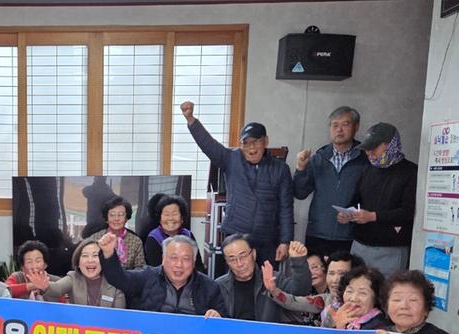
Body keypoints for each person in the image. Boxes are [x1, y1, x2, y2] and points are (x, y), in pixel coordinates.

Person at [181, 101, 293, 264]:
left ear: (266, 141)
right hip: (236, 236)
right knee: (236, 275)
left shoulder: (281, 168)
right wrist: (191, 120)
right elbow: (208, 145)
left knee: (266, 277)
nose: (251, 148)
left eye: (256, 141)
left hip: (267, 239)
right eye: (246, 143)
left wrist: (285, 241)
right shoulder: (231, 159)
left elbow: (286, 207)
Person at [340, 122, 416, 277]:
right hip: (360, 244)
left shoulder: (410, 172)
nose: (369, 153)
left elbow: (407, 212)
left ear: (390, 145)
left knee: (386, 289)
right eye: (367, 149)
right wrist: (347, 213)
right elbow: (356, 199)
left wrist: (372, 216)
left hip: (391, 248)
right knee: (356, 286)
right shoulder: (367, 169)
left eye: (374, 148)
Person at [293, 106, 369, 256]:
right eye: (335, 125)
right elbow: (300, 193)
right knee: (315, 271)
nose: (339, 130)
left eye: (345, 124)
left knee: (345, 272)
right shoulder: (319, 158)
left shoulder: (365, 159)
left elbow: (371, 197)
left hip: (350, 235)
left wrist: (354, 213)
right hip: (317, 233)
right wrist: (301, 168)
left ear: (356, 126)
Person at [100, 232, 225, 318]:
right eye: (173, 258)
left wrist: (217, 316)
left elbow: (225, 321)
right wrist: (109, 253)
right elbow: (119, 279)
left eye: (186, 259)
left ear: (194, 260)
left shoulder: (209, 287)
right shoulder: (147, 277)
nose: (179, 265)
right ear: (163, 259)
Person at [215, 235, 310, 322]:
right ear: (227, 262)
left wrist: (299, 262)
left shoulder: (273, 278)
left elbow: (300, 291)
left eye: (243, 256)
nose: (239, 263)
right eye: (232, 259)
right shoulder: (219, 286)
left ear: (254, 254)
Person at [41, 239, 126, 308]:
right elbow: (57, 289)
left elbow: (120, 316)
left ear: (103, 260)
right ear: (78, 262)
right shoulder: (73, 278)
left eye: (95, 255)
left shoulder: (114, 282)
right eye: (85, 255)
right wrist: (45, 286)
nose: (90, 260)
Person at [144, 195, 204, 272]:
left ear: (182, 218)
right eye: (166, 214)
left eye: (175, 214)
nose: (170, 218)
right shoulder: (153, 238)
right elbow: (155, 271)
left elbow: (198, 266)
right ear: (160, 219)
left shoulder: (188, 235)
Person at [86, 196, 146, 270]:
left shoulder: (136, 241)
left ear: (126, 218)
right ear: (106, 219)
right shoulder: (95, 238)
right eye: (112, 215)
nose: (116, 219)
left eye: (120, 214)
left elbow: (141, 269)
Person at [330, 266, 387, 330]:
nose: (353, 298)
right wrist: (339, 326)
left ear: (376, 297)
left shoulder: (380, 326)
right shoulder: (342, 319)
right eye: (349, 291)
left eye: (362, 293)